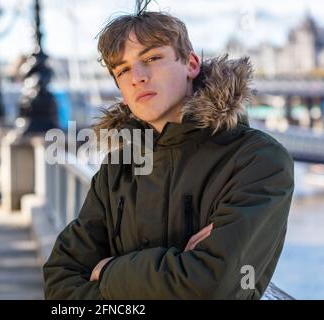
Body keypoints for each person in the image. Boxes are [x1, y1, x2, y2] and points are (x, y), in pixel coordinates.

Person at [43, 8, 294, 299]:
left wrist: (108, 271)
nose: (137, 77)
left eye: (152, 58)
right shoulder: (118, 167)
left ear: (191, 63)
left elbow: (213, 287)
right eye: (122, 70)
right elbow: (60, 283)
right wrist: (178, 269)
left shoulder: (259, 160)